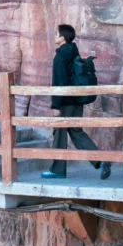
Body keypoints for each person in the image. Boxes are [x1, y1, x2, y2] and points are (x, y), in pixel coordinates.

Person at [41, 24, 111, 181]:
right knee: (76, 132)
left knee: (59, 133)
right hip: (77, 100)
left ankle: (58, 170)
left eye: (56, 33)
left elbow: (59, 82)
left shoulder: (60, 56)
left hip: (65, 102)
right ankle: (100, 161)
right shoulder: (74, 52)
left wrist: (56, 105)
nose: (54, 35)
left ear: (62, 38)